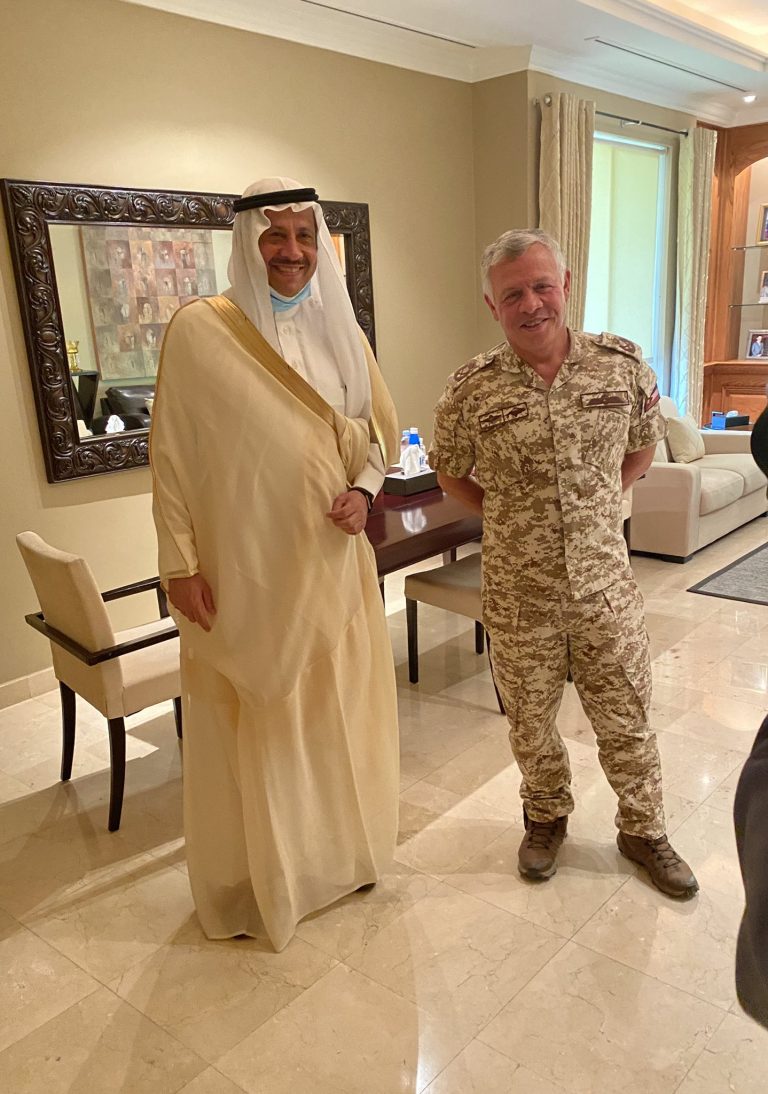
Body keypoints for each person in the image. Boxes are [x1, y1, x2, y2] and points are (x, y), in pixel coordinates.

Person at [150, 177, 400, 951]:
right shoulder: (199, 331)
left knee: (332, 714)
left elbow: (379, 432)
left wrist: (364, 490)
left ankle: (337, 860)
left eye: (304, 236)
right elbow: (171, 455)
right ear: (247, 241)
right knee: (253, 722)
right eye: (274, 235)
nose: (291, 252)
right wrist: (178, 563)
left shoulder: (341, 333)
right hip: (243, 572)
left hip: (329, 564)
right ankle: (256, 882)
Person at [429, 228, 698, 898]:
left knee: (627, 716)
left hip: (605, 587)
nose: (531, 304)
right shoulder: (471, 390)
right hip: (520, 594)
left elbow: (642, 447)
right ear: (492, 305)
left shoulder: (621, 365)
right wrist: (511, 516)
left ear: (566, 285)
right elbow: (451, 474)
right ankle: (545, 817)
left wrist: (598, 504)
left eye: (542, 286)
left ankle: (643, 830)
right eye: (512, 294)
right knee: (529, 721)